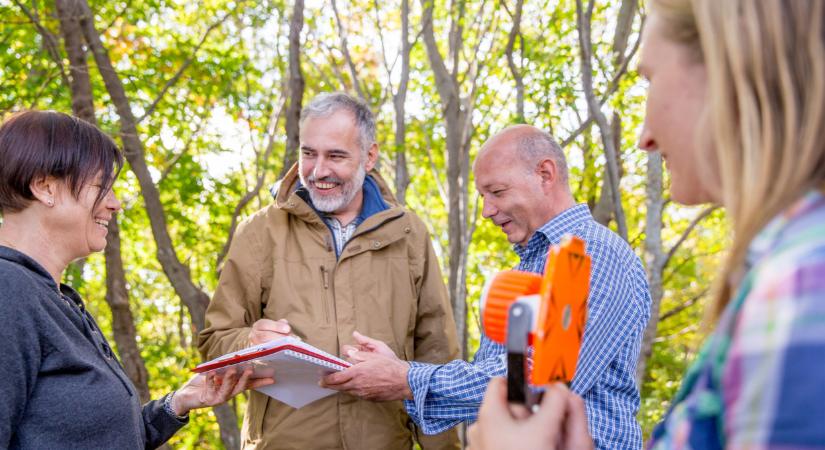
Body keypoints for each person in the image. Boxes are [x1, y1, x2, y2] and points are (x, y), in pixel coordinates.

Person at [468, 0, 825, 448]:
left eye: (651, 80)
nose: (645, 136)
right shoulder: (779, 272)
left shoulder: (799, 287)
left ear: (731, 74)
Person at [322, 125, 652, 449]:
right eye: (483, 196)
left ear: (545, 174)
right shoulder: (531, 265)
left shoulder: (592, 254)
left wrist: (406, 378)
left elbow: (539, 387)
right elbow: (497, 389)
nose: (486, 211)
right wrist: (400, 375)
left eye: (497, 192)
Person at [197, 92, 460, 449]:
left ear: (369, 156)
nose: (318, 171)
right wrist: (250, 343)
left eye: (335, 155)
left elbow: (437, 356)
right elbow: (214, 343)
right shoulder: (260, 232)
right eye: (308, 154)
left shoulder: (409, 234)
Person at [0, 110, 271, 449]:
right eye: (102, 187)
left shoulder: (61, 301)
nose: (115, 204)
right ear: (45, 187)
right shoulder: (8, 291)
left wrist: (179, 403)